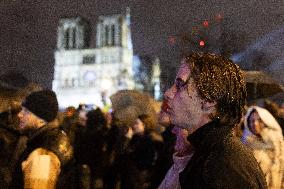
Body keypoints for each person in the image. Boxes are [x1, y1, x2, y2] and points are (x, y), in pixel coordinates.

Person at [161, 52, 267, 188]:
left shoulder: (221, 165)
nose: (168, 93)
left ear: (209, 99)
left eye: (181, 84)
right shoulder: (213, 153)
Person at [10, 89, 73, 189]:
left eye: (26, 111)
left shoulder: (42, 154)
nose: (20, 114)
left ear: (41, 118)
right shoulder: (48, 139)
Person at [242, 106, 284, 189]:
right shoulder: (246, 144)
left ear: (266, 121)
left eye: (259, 120)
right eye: (252, 121)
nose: (255, 124)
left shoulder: (278, 141)